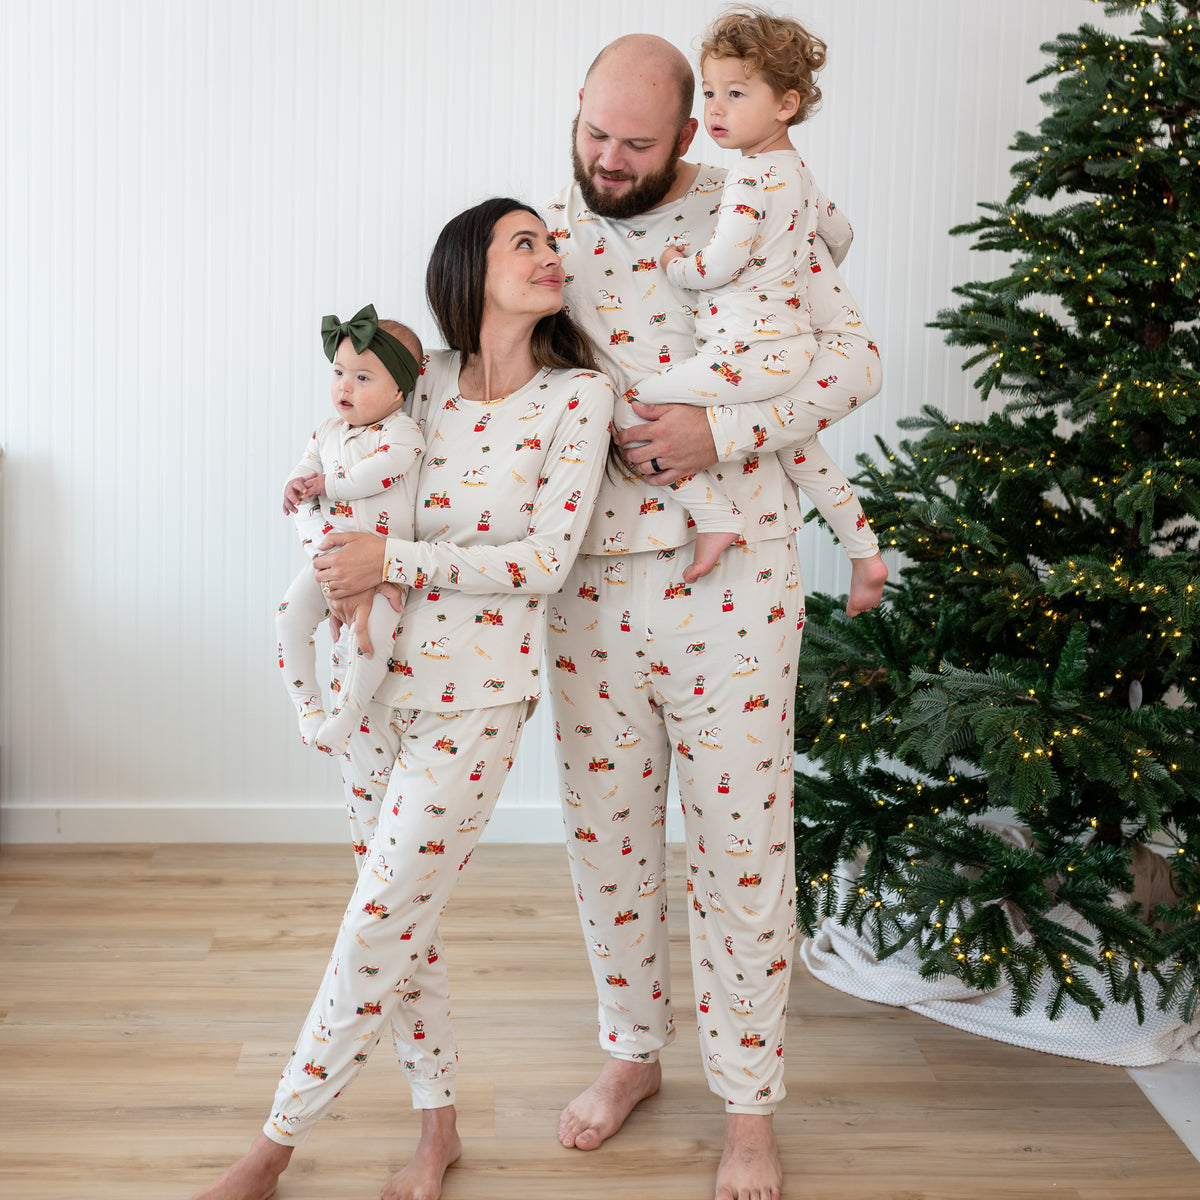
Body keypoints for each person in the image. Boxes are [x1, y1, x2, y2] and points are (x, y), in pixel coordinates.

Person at [189, 197, 614, 1200]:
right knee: (401, 922)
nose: (551, 255)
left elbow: (546, 562)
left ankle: (272, 1149)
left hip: (476, 702)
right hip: (371, 682)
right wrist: (333, 561)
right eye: (527, 242)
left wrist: (395, 559)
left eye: (553, 243)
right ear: (472, 266)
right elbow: (332, 479)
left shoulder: (578, 397)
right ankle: (438, 1127)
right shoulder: (419, 385)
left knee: (377, 917)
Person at [544, 26, 883, 1200]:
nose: (611, 157)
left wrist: (723, 430)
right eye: (595, 132)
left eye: (638, 141)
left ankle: (749, 1109)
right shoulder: (546, 231)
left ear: (690, 131)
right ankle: (631, 1053)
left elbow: (854, 360)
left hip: (736, 587)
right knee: (608, 837)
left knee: (744, 852)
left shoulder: (756, 204)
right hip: (587, 589)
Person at [613, 8, 886, 597]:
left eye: (735, 93)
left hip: (752, 351)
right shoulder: (801, 178)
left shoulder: (748, 180)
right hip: (791, 351)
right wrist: (792, 266)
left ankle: (713, 515)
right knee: (803, 455)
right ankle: (867, 558)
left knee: (633, 403)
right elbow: (840, 234)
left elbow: (717, 265)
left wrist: (676, 266)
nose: (715, 108)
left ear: (785, 105)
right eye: (710, 92)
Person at [277, 305, 424, 756]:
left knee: (370, 639)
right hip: (329, 562)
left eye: (364, 377)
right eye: (340, 372)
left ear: (399, 390)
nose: (345, 385)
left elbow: (379, 473)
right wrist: (298, 481)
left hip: (381, 568)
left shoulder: (401, 432)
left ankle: (349, 709)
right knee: (288, 618)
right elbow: (309, 465)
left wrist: (329, 484)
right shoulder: (327, 431)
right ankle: (307, 703)